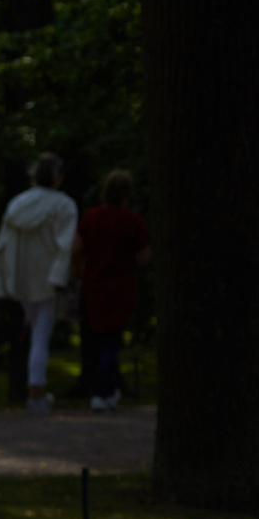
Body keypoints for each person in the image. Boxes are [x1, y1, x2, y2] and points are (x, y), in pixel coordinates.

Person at [0, 152, 80, 412]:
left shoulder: (19, 204)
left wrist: (6, 277)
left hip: (23, 278)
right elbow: (65, 245)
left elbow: (3, 245)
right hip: (48, 278)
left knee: (36, 334)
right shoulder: (63, 205)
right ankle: (36, 391)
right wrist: (60, 277)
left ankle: (36, 390)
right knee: (41, 335)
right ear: (57, 177)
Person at [75, 170, 151, 411]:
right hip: (120, 289)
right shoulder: (132, 221)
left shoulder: (91, 217)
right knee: (111, 342)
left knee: (96, 342)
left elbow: (76, 248)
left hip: (93, 287)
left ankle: (102, 391)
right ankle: (103, 391)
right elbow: (143, 257)